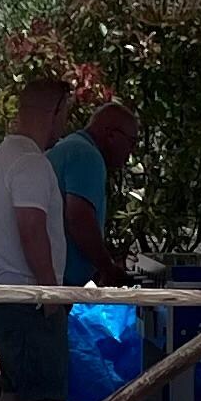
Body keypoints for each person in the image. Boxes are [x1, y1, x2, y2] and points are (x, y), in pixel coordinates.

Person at [0, 71, 74, 401]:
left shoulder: (5, 154)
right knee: (45, 399)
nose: (65, 125)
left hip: (2, 293)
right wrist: (50, 293)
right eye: (65, 115)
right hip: (27, 297)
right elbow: (31, 228)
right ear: (55, 112)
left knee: (15, 393)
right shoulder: (31, 162)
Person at [52, 98, 135, 286]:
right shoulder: (87, 155)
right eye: (131, 142)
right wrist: (107, 268)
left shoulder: (70, 146)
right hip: (60, 281)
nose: (131, 151)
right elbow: (79, 219)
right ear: (110, 134)